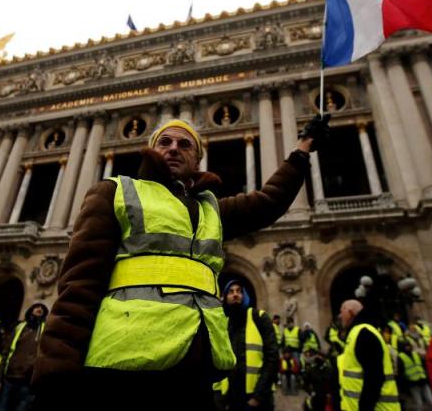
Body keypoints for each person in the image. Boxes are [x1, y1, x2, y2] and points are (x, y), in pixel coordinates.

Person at [32, 115, 329, 408]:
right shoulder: (115, 193)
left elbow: (268, 201)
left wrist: (302, 149)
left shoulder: (210, 210)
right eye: (165, 142)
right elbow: (79, 285)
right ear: (151, 150)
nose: (173, 148)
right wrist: (55, 376)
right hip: (123, 368)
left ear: (197, 159)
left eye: (185, 144)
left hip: (194, 367)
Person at [220, 280, 278, 410]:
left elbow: (272, 358)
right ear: (225, 297)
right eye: (231, 291)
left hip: (257, 398)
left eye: (239, 291)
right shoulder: (224, 324)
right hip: (232, 397)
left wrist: (257, 397)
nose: (235, 294)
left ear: (244, 295)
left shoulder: (259, 317)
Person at [338, 299, 399, 411]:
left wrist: (365, 407)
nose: (340, 316)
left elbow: (374, 376)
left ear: (350, 313)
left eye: (342, 311)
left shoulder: (364, 333)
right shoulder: (356, 332)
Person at [0, 302, 48, 411]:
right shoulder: (19, 327)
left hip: (27, 382)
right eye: (37, 307)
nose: (40, 309)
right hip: (9, 378)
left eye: (42, 308)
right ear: (31, 310)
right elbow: (6, 353)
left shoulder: (45, 330)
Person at [397, 341, 432, 411]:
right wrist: (405, 383)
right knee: (419, 403)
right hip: (412, 383)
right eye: (406, 346)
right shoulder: (401, 357)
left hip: (423, 380)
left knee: (431, 401)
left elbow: (422, 366)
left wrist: (426, 376)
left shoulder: (415, 354)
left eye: (409, 346)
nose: (408, 348)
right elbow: (401, 371)